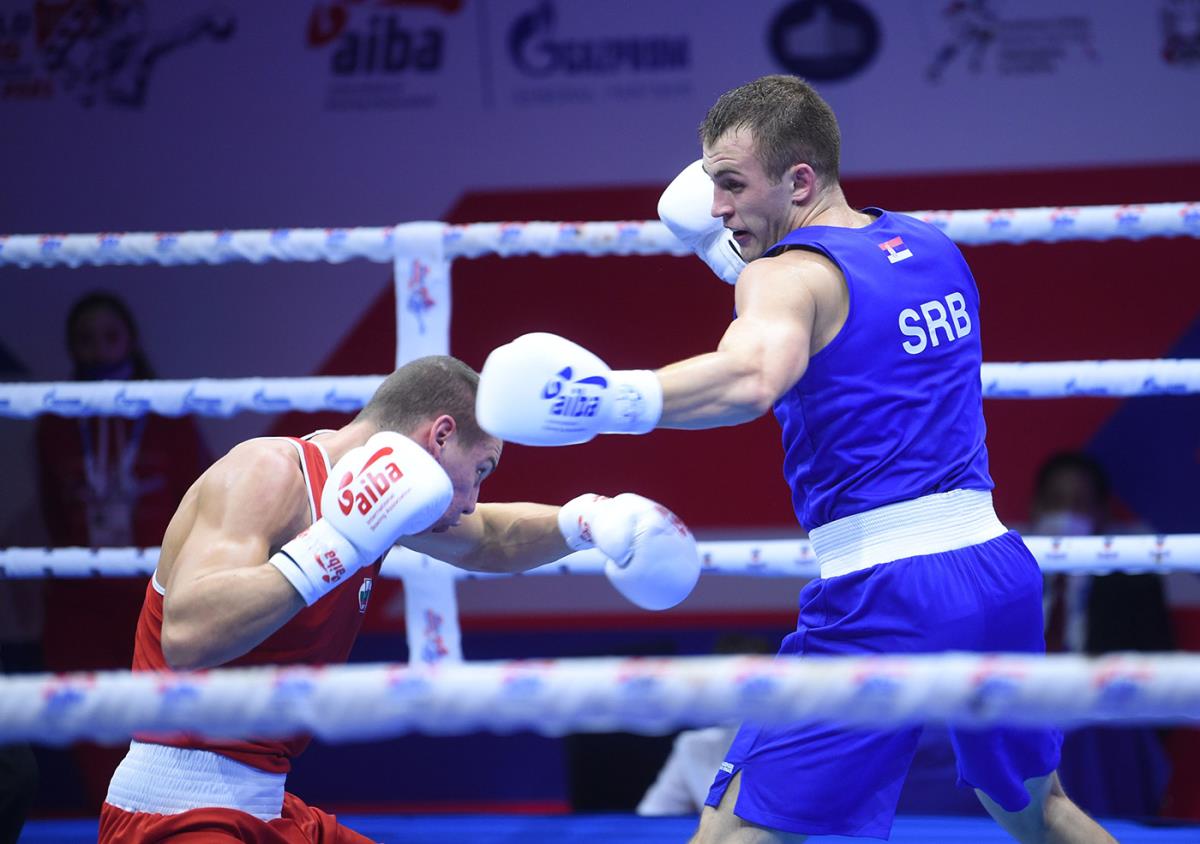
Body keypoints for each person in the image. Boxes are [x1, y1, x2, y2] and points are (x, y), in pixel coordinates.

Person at [475, 75, 1115, 842]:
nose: (716, 207)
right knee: (1040, 812)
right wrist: (747, 261)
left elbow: (752, 376)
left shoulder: (781, 277)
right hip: (995, 570)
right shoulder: (930, 248)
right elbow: (849, 329)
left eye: (732, 184)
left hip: (886, 592)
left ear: (800, 180)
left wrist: (605, 400)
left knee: (731, 836)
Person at [97, 354, 700, 843]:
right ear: (440, 435)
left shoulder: (382, 503)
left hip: (263, 804)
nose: (472, 499)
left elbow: (489, 537)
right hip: (172, 814)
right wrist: (334, 545)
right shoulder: (268, 472)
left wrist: (588, 520)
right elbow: (187, 637)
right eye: (480, 469)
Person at [35, 291, 212, 809]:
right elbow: (53, 512)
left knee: (164, 718)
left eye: (109, 336)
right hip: (81, 599)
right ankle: (109, 822)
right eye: (86, 339)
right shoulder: (55, 420)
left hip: (155, 586)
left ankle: (163, 823)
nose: (99, 349)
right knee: (91, 720)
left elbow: (198, 501)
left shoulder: (168, 413)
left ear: (131, 339)